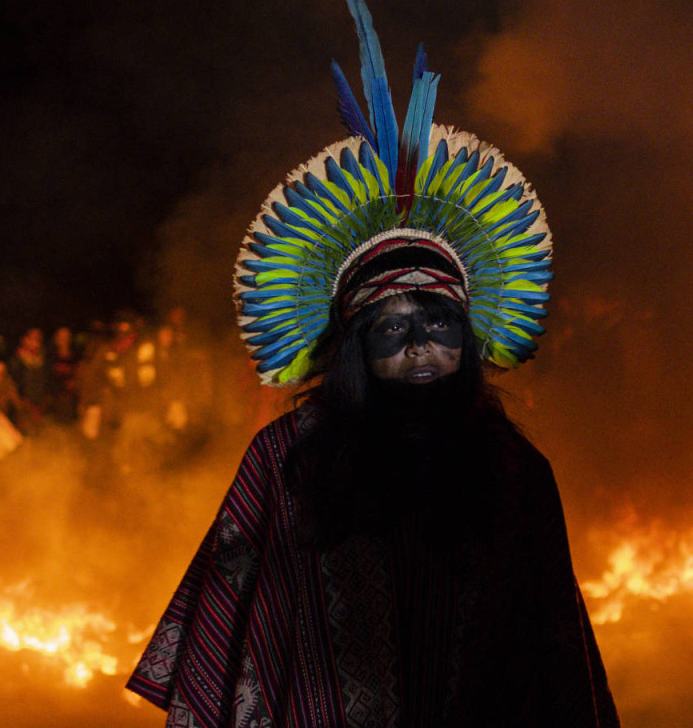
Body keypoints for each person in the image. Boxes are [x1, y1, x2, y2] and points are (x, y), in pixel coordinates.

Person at [127, 4, 616, 724]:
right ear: (356, 346)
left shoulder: (516, 471)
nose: (420, 344)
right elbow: (229, 632)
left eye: (441, 321)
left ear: (472, 336)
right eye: (391, 327)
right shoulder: (286, 462)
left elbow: (554, 649)